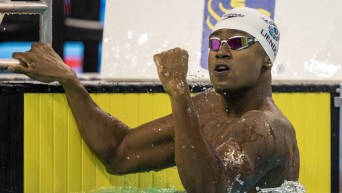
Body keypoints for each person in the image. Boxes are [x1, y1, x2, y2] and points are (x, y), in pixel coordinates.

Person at [8, 7, 299, 193]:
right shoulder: (208, 108)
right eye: (214, 43)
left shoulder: (268, 128)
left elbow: (212, 188)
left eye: (236, 43)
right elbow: (120, 153)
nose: (221, 51)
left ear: (266, 60)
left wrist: (179, 93)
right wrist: (69, 80)